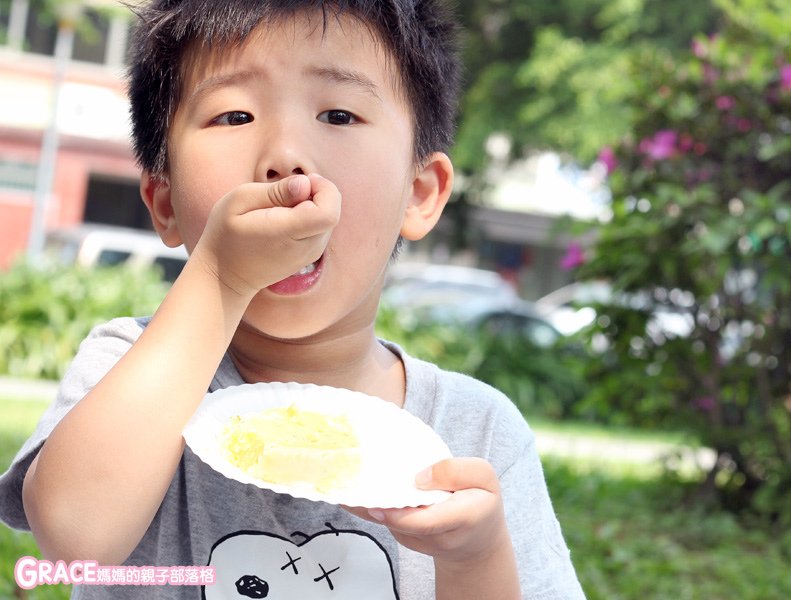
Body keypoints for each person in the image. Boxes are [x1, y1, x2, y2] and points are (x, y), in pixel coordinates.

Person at [0, 1, 586, 598]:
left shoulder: (477, 432)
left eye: (338, 113)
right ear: (163, 199)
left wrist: (476, 558)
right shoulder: (128, 367)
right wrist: (222, 278)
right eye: (234, 115)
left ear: (419, 194)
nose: (285, 156)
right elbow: (75, 537)